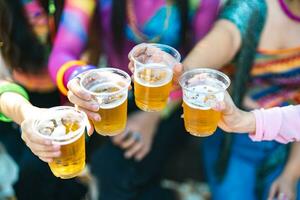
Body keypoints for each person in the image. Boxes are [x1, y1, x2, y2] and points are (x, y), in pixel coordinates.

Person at [47, 0, 222, 199]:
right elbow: (61, 54)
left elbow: (204, 66)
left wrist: (153, 117)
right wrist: (80, 77)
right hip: (109, 99)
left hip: (172, 102)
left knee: (113, 172)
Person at [174, 0, 300, 199]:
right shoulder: (254, 6)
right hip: (233, 134)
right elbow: (227, 36)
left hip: (290, 144)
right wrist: (184, 70)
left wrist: (291, 175)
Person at [0, 0, 92, 199]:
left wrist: (81, 79)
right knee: (34, 171)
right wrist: (26, 113)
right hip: (12, 103)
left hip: (64, 93)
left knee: (52, 171)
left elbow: (69, 52)